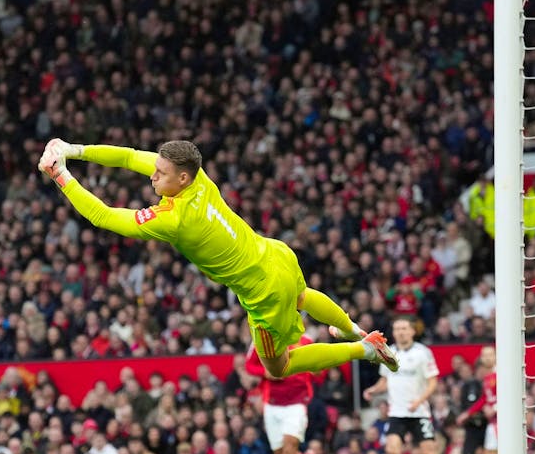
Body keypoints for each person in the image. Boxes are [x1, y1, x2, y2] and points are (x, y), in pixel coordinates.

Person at [38, 139, 399, 378]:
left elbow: (102, 215)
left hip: (264, 293)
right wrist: (74, 150)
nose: (153, 175)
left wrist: (61, 174)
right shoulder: (198, 179)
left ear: (182, 177)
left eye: (161, 173)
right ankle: (351, 327)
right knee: (302, 296)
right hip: (275, 255)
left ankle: (363, 349)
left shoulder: (173, 219)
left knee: (279, 367)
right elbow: (131, 157)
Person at [362, 317, 449, 454]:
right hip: (397, 412)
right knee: (392, 450)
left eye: (404, 328)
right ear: (393, 333)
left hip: (419, 412)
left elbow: (432, 382)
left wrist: (419, 401)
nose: (401, 332)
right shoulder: (388, 352)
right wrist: (373, 390)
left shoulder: (423, 352)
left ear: (412, 331)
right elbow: (385, 381)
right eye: (397, 329)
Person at [245, 336, 315, 454]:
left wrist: (316, 370)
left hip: (297, 402)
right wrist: (265, 372)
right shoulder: (261, 338)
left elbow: (318, 369)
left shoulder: (305, 340)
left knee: (290, 446)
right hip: (272, 403)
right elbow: (249, 365)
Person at [456, 346, 497, 454]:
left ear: (496, 356)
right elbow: (485, 399)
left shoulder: (502, 373)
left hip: (503, 422)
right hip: (493, 423)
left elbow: (508, 394)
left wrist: (495, 408)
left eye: (490, 355)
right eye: (484, 356)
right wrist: (467, 413)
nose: (487, 358)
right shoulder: (487, 377)